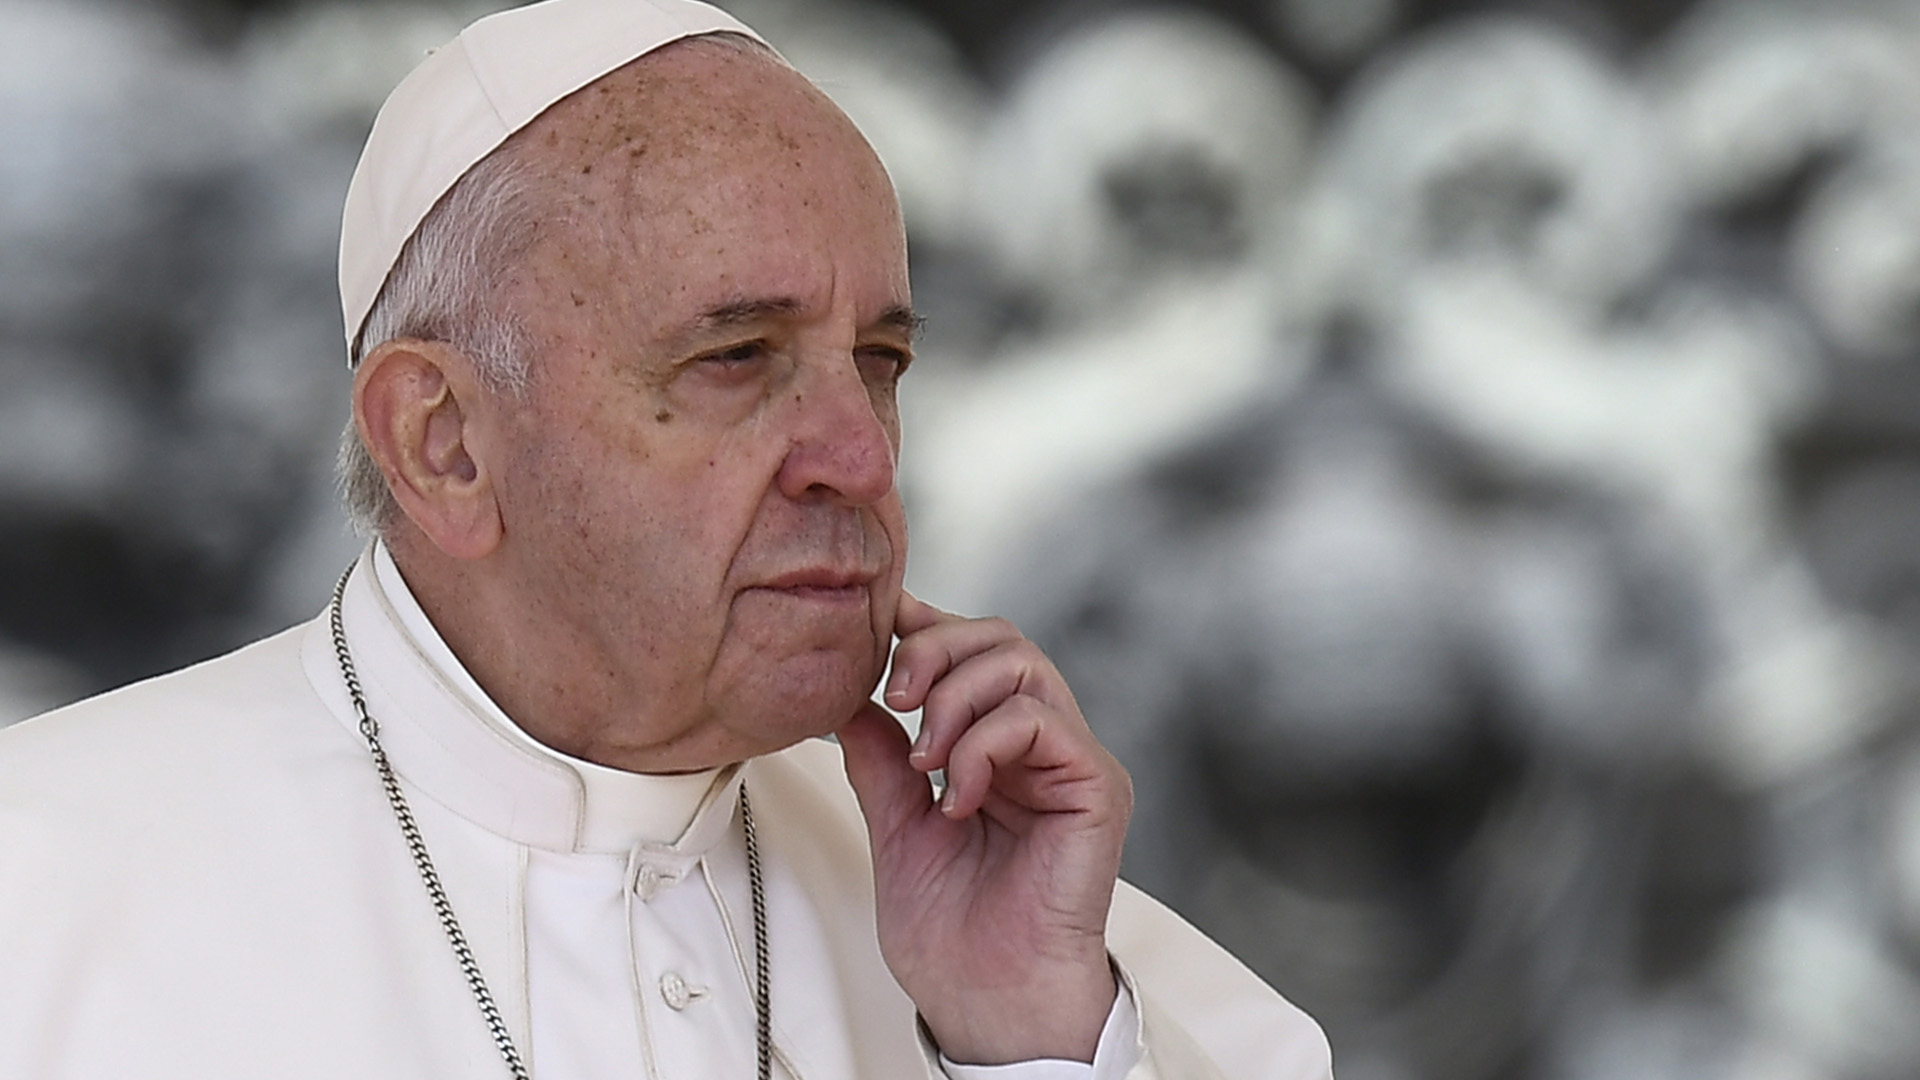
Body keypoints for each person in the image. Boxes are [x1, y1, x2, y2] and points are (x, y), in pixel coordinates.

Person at [0, 2, 1331, 1077]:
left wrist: (1027, 1051)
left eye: (879, 360)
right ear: (444, 443)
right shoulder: (40, 889)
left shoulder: (1055, 965)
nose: (863, 459)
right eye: (737, 356)